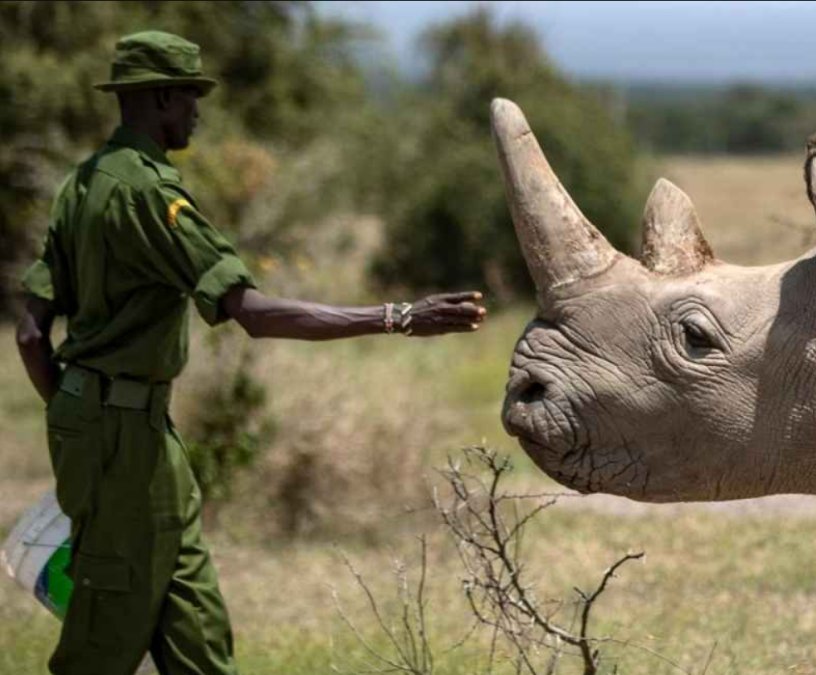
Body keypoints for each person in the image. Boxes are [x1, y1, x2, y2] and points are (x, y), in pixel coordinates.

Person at [13, 31, 487, 675]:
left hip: (135, 431)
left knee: (197, 626)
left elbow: (30, 333)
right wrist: (399, 317)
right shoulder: (150, 195)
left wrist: (75, 413)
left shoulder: (79, 184)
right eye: (190, 96)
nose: (197, 111)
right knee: (107, 636)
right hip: (123, 440)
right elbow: (253, 314)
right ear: (160, 98)